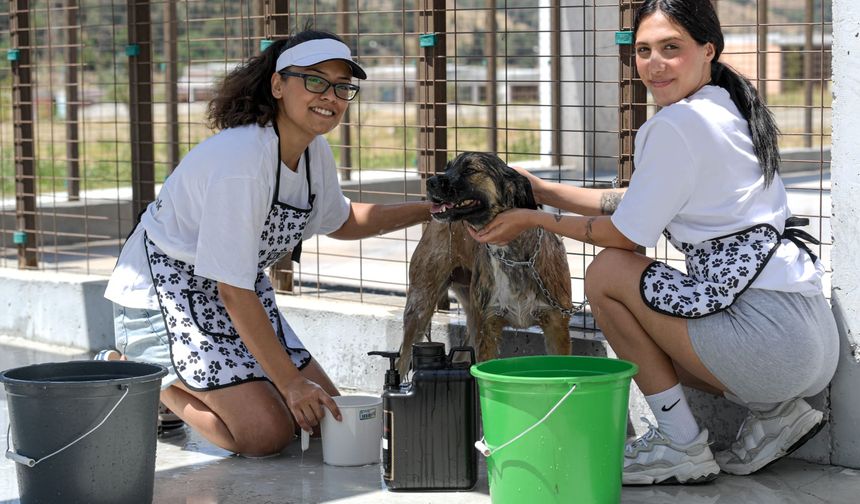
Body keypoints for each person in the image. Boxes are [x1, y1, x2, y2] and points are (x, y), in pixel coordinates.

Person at [469, 0, 838, 485]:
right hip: (811, 341)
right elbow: (637, 201)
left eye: (671, 48)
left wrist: (531, 219)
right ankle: (777, 414)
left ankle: (680, 442)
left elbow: (625, 233)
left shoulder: (675, 125)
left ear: (708, 49)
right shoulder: (726, 107)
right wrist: (541, 190)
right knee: (650, 298)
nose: (654, 63)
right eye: (643, 50)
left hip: (765, 341)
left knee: (607, 274)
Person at [102, 30, 431, 457]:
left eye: (342, 86)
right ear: (278, 85)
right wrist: (289, 383)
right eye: (314, 80)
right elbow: (233, 290)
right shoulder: (242, 160)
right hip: (165, 296)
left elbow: (344, 219)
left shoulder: (314, 153)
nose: (329, 95)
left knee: (327, 417)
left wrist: (431, 210)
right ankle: (138, 372)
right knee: (265, 434)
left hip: (233, 293)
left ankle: (201, 386)